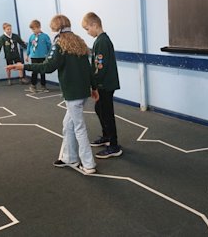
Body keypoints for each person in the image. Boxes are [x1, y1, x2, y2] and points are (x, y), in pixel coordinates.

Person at [7, 15, 99, 175]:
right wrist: (94, 88)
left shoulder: (60, 44)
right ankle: (69, 157)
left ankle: (88, 164)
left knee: (79, 127)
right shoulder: (80, 42)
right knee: (67, 124)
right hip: (83, 92)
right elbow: (89, 68)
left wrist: (24, 66)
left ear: (57, 27)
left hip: (73, 94)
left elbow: (48, 67)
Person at [81, 12, 122, 158]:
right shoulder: (100, 40)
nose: (87, 32)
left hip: (105, 84)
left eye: (87, 28)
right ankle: (106, 136)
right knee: (100, 109)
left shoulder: (102, 41)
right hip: (103, 83)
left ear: (94, 25)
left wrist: (94, 83)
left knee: (107, 113)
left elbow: (100, 67)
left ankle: (114, 145)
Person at [25, 20, 52, 93]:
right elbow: (29, 46)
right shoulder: (31, 37)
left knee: (43, 71)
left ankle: (43, 86)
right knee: (35, 71)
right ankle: (33, 85)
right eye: (32, 29)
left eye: (34, 29)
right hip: (34, 57)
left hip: (43, 56)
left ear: (39, 27)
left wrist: (50, 55)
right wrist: (27, 55)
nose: (33, 31)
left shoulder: (45, 36)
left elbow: (49, 46)